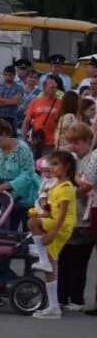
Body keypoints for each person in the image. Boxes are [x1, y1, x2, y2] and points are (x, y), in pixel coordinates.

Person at [29, 150, 78, 319]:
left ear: (67, 167)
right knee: (49, 267)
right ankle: (54, 307)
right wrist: (40, 215)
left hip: (61, 225)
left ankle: (42, 259)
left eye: (56, 164)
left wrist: (53, 232)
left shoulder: (66, 187)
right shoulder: (55, 185)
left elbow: (63, 214)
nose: (53, 168)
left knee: (32, 224)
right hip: (55, 221)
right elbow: (51, 210)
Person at [0, 119, 38, 227]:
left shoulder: (23, 149)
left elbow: (27, 175)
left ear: (5, 134)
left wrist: (2, 187)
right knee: (9, 228)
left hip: (28, 195)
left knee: (29, 229)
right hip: (9, 197)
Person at [64, 122, 95, 313]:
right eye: (71, 142)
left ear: (88, 142)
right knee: (68, 259)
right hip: (74, 216)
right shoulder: (75, 161)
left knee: (79, 260)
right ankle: (68, 296)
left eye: (78, 142)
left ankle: (77, 298)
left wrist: (68, 190)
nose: (74, 146)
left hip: (85, 217)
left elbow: (85, 187)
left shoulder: (92, 159)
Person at [24, 75, 63, 155]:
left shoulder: (60, 103)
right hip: (35, 140)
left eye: (56, 88)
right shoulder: (35, 102)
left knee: (46, 164)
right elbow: (26, 121)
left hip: (51, 142)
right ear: (44, 87)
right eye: (52, 87)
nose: (55, 90)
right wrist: (24, 139)